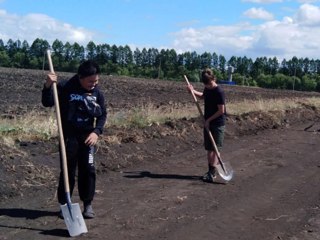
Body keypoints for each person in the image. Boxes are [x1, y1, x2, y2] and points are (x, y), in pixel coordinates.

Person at [42, 60, 107, 218]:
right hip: (68, 137)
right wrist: (48, 86)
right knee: (68, 171)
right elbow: (47, 102)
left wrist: (96, 132)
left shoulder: (97, 93)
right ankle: (65, 204)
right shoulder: (65, 87)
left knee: (88, 170)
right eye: (90, 81)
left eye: (96, 81)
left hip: (87, 137)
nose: (94, 84)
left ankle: (88, 204)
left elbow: (102, 114)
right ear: (80, 77)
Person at [187, 68, 226, 183]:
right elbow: (203, 96)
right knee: (209, 149)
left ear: (213, 79)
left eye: (209, 84)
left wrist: (209, 120)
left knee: (215, 149)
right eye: (206, 85)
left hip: (217, 124)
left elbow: (221, 111)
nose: (208, 86)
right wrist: (192, 91)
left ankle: (213, 173)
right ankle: (210, 171)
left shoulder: (219, 92)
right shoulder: (207, 88)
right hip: (207, 122)